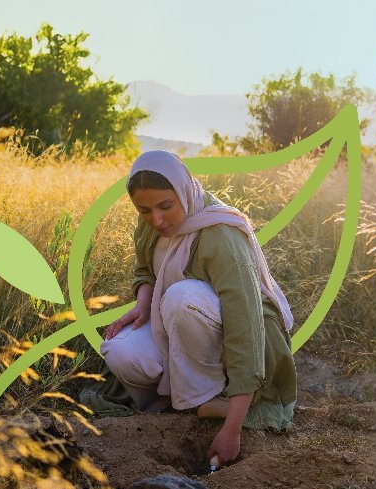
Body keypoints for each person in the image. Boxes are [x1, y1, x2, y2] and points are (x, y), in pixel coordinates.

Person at [99, 150, 297, 466]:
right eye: (145, 210)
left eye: (166, 206)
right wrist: (143, 304)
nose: (157, 220)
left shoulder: (220, 235)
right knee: (119, 351)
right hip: (177, 321)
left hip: (239, 334)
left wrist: (232, 430)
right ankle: (178, 398)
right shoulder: (152, 224)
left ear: (184, 191)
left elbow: (246, 328)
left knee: (181, 297)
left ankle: (213, 398)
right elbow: (145, 269)